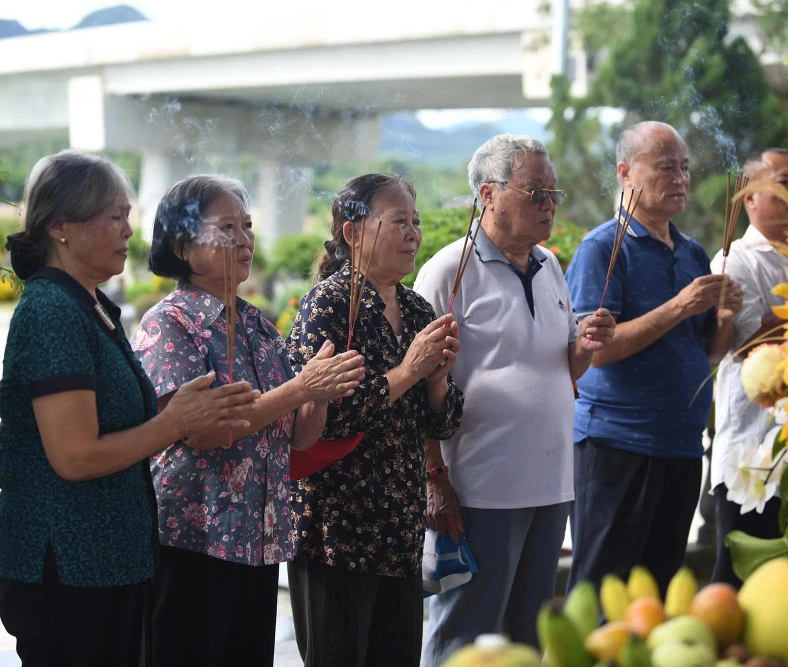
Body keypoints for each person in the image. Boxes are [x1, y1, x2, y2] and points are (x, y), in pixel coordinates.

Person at [0, 151, 260, 667]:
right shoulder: (51, 310)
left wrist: (178, 412)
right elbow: (75, 457)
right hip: (68, 565)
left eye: (128, 216)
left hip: (110, 561)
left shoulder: (89, 305)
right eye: (115, 217)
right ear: (61, 227)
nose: (129, 232)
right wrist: (176, 421)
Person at [132, 175, 366, 666]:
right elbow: (204, 430)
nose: (244, 240)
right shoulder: (171, 324)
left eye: (248, 225)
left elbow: (298, 436)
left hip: (257, 539)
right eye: (226, 228)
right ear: (182, 244)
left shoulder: (257, 324)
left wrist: (318, 392)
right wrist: (300, 388)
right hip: (194, 539)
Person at [414, 134, 617, 664]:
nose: (548, 205)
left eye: (553, 195)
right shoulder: (447, 272)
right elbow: (416, 386)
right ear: (489, 194)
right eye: (536, 194)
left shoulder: (550, 264)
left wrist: (585, 348)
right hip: (480, 485)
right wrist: (435, 479)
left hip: (551, 481)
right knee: (467, 633)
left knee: (527, 633)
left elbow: (560, 366)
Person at [286, 174, 464, 667]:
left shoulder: (414, 306)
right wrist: (408, 371)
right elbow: (326, 414)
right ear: (353, 233)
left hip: (398, 532)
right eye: (399, 222)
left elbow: (444, 423)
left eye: (417, 222)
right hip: (337, 532)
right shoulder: (328, 303)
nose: (413, 234)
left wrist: (437, 383)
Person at [565, 121, 744, 595]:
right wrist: (680, 305)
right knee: (604, 589)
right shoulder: (602, 248)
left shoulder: (692, 251)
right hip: (618, 443)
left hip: (681, 447)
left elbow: (708, 353)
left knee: (658, 592)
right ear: (626, 173)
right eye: (666, 167)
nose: (680, 179)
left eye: (685, 168)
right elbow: (597, 353)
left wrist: (725, 318)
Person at [709, 148, 788, 586]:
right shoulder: (734, 260)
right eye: (785, 183)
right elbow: (753, 346)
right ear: (748, 198)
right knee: (743, 587)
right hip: (754, 456)